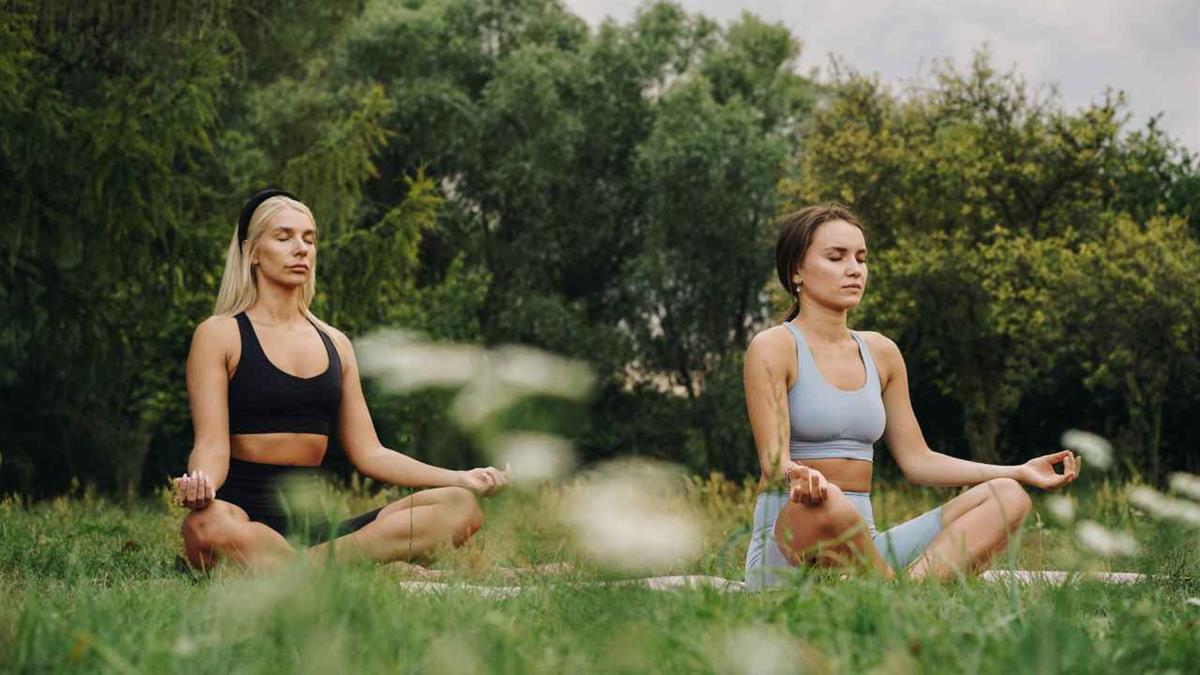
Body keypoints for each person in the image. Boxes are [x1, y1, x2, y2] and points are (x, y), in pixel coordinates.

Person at [743, 204, 1080, 589]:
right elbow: (773, 462)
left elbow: (918, 461)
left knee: (1009, 497)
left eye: (861, 258)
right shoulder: (774, 347)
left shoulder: (881, 352)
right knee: (828, 501)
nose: (854, 269)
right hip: (791, 540)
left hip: (866, 549)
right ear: (796, 271)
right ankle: (890, 592)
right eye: (836, 257)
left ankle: (904, 593)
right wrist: (798, 474)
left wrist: (1016, 471)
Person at [175, 188, 508, 572]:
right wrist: (202, 486)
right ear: (252, 252)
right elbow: (211, 446)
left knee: (458, 506)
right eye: (284, 237)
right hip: (242, 521)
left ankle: (299, 569)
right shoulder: (220, 334)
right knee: (205, 524)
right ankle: (353, 567)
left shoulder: (336, 343)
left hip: (319, 530)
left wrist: (461, 478)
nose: (301, 248)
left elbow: (370, 453)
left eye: (309, 238)